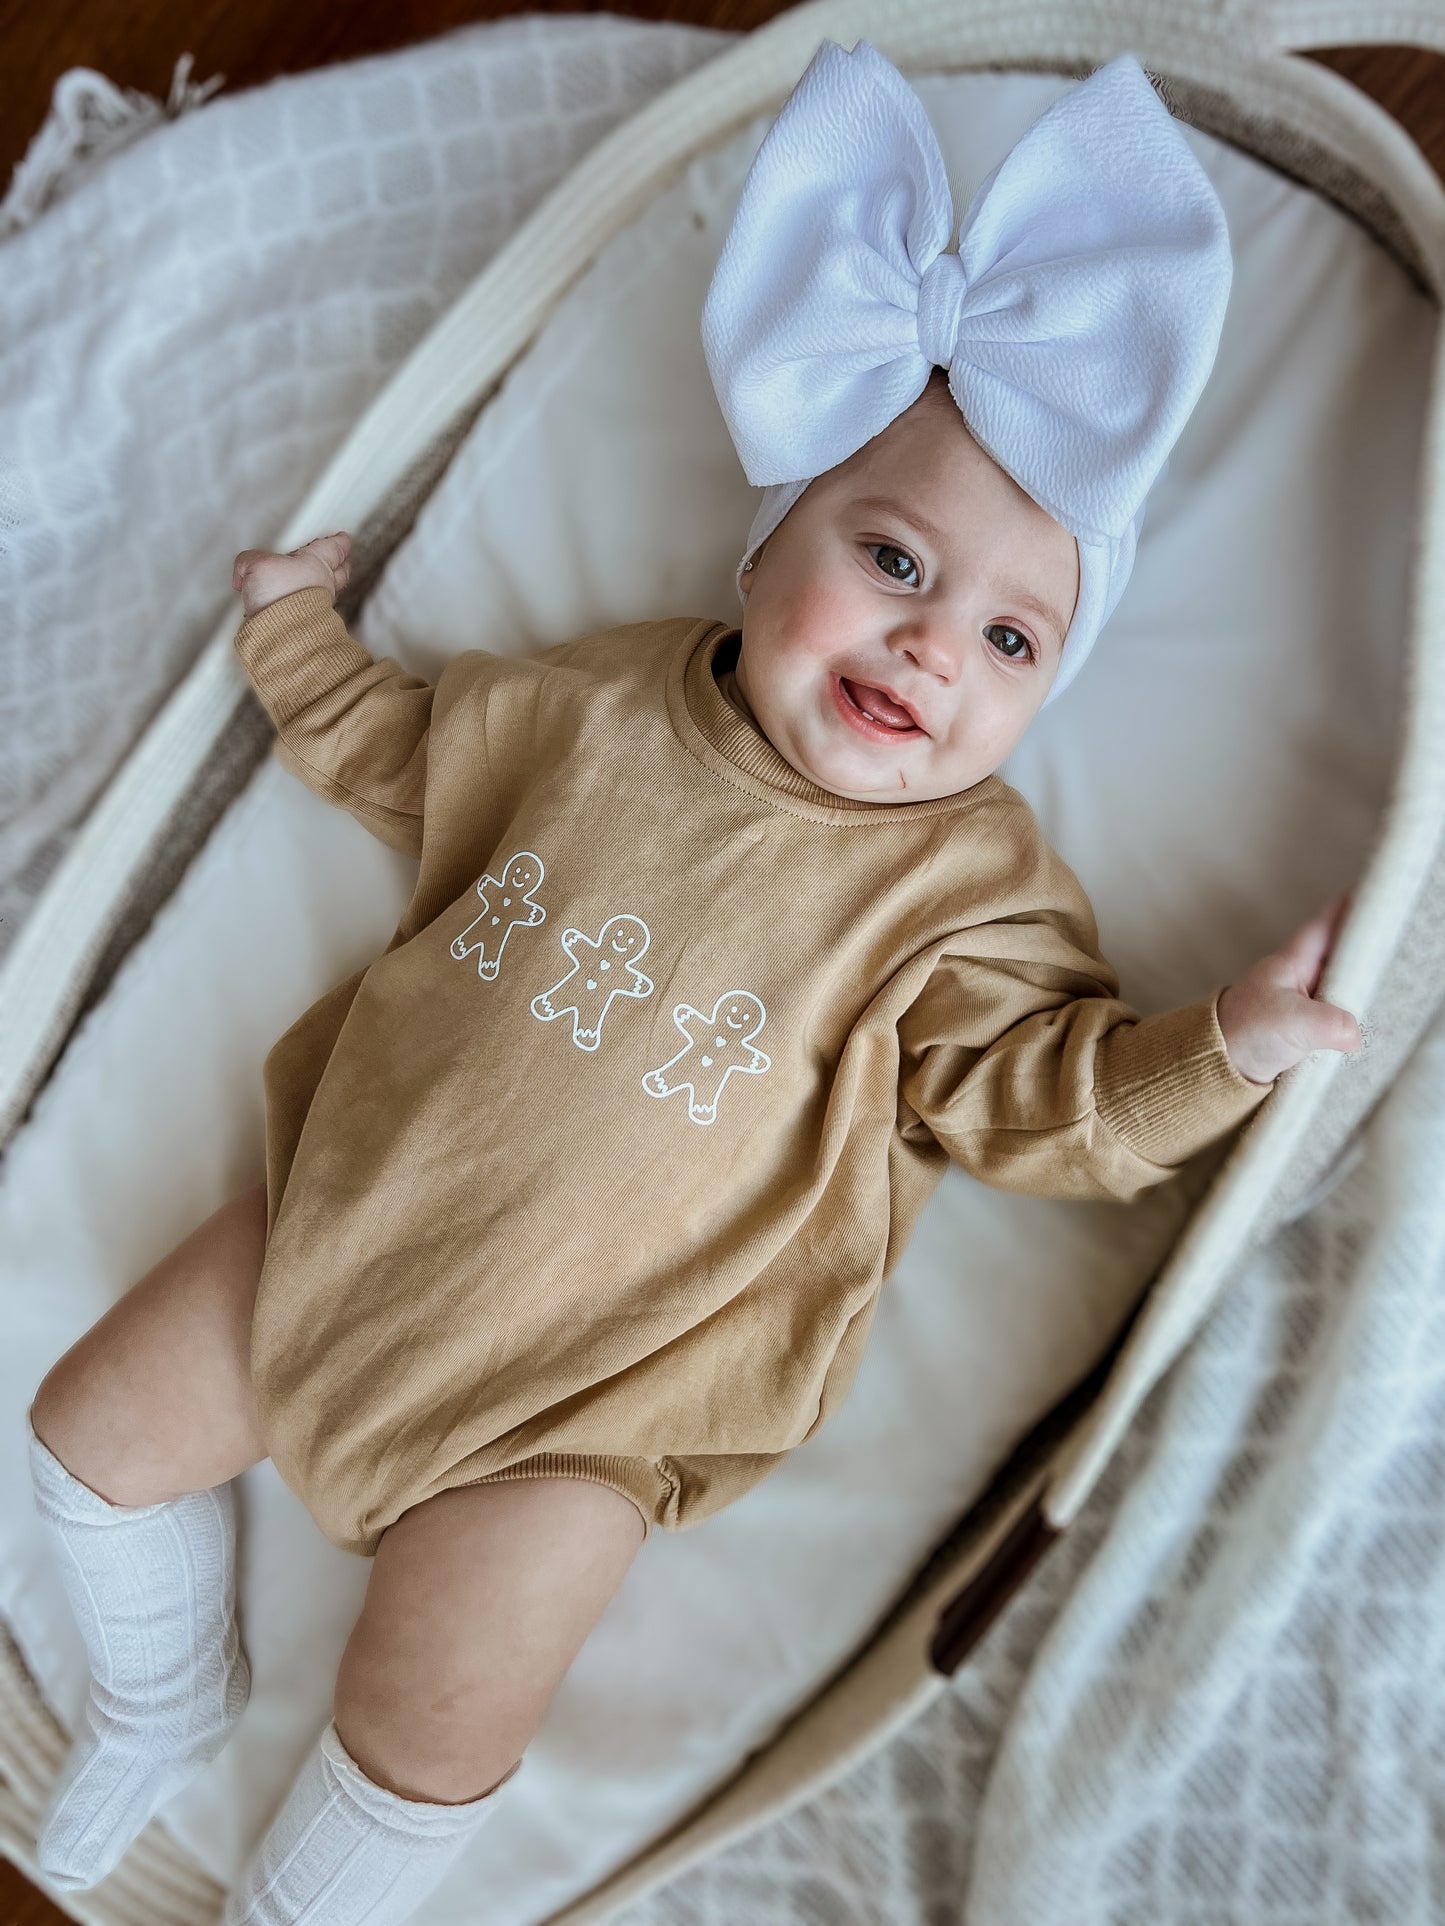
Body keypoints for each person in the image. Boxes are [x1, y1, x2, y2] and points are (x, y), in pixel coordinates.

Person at [24, 38, 1363, 1926]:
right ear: (768, 541)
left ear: (1043, 689)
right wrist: (290, 637)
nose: (927, 641)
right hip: (338, 1230)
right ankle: (165, 1688)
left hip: (593, 1414)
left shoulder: (969, 896)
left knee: (433, 1706)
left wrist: (1217, 1043)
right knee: (88, 1439)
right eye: (887, 554)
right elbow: (409, 757)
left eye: (1005, 634)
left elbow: (1037, 1101)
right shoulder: (591, 710)